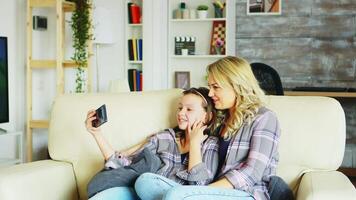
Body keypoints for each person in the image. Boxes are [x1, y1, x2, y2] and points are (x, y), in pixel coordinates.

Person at [134, 56, 281, 200]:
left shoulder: (264, 118)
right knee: (145, 183)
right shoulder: (220, 120)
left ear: (237, 85)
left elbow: (252, 173)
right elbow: (200, 170)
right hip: (210, 191)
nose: (210, 93)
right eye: (210, 87)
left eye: (215, 87)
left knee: (176, 195)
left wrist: (200, 193)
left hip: (246, 193)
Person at [85, 87, 219, 200]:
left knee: (146, 181)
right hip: (144, 193)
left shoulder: (211, 144)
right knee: (100, 196)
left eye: (189, 109)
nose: (181, 113)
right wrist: (96, 134)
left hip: (175, 196)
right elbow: (125, 164)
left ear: (207, 116)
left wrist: (195, 144)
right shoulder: (164, 138)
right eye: (180, 108)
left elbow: (200, 187)